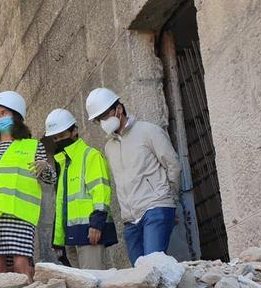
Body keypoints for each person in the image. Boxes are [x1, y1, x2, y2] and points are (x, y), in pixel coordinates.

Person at [86, 87, 182, 264]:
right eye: (99, 119)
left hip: (155, 207)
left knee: (152, 267)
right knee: (139, 277)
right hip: (130, 220)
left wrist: (170, 199)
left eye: (105, 116)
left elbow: (173, 165)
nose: (103, 122)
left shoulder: (148, 131)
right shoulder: (109, 147)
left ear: (119, 110)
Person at [0, 91, 55, 281]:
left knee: (21, 264)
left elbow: (50, 179)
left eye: (4, 113)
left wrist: (45, 168)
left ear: (16, 117)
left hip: (20, 214)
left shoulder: (33, 146)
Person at [44, 108, 117, 269]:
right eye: (55, 137)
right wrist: (58, 240)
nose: (59, 140)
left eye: (62, 135)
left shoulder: (90, 155)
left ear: (75, 131)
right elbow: (62, 204)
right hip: (70, 234)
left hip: (90, 231)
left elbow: (101, 191)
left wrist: (97, 224)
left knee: (93, 282)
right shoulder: (64, 163)